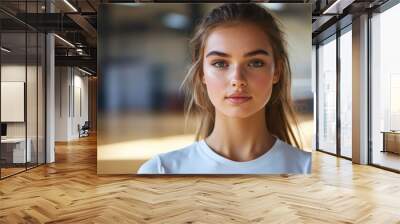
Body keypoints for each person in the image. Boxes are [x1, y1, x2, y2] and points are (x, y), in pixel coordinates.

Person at [138, 3, 311, 174]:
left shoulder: (309, 169)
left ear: (277, 72)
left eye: (255, 63)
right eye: (220, 63)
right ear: (201, 74)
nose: (237, 79)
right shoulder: (160, 171)